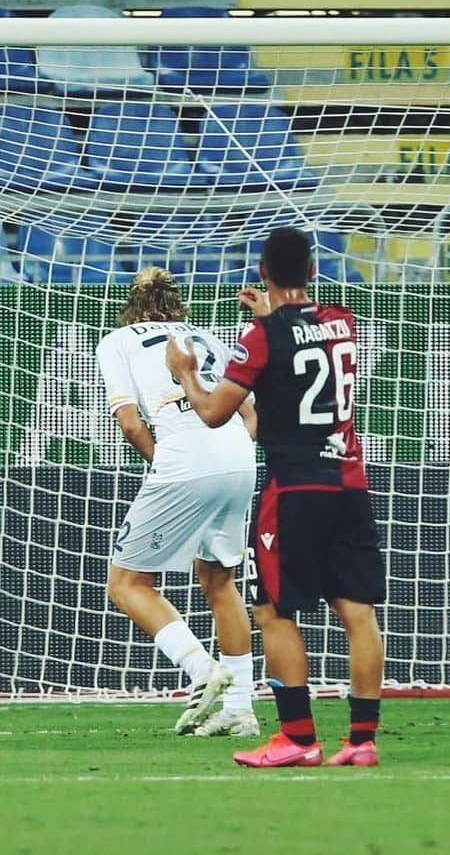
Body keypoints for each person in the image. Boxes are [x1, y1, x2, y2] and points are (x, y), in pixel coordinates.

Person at [166, 227, 386, 768]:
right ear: (313, 272)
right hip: (350, 482)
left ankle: (298, 738)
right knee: (357, 611)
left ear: (264, 272)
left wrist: (188, 374)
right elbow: (301, 340)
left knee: (273, 609)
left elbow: (216, 411)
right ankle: (361, 741)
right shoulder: (344, 322)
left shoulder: (260, 337)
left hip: (295, 489)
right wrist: (270, 313)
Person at [96, 267, 259, 737]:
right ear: (177, 304)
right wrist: (231, 455)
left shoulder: (118, 340)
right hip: (238, 458)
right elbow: (251, 413)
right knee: (219, 580)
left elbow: (129, 422)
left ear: (132, 307)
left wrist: (163, 461)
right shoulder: (208, 337)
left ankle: (200, 669)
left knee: (127, 584)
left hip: (185, 456)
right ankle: (241, 709)